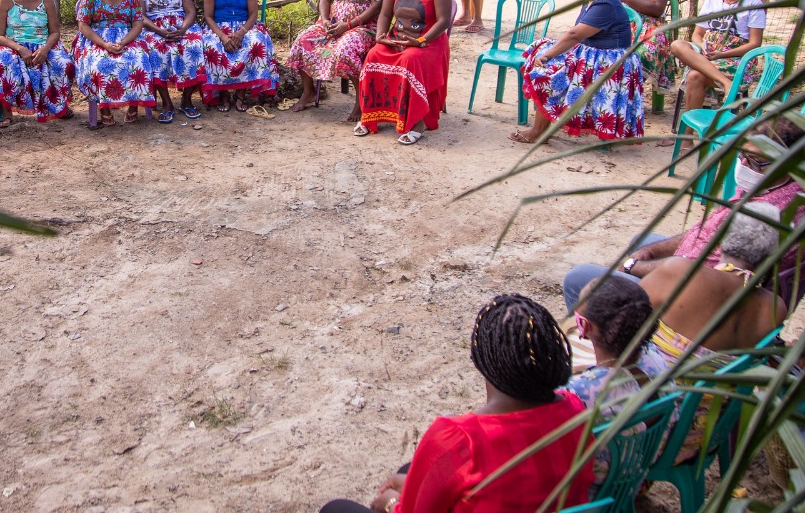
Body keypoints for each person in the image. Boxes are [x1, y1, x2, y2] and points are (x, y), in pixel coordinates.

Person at [320, 295, 593, 513]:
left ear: (483, 361)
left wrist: (391, 503)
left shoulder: (460, 440)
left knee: (336, 508)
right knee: (409, 470)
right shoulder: (575, 409)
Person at [561, 118, 805, 313]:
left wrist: (633, 266)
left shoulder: (768, 215)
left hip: (692, 300)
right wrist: (652, 252)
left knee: (579, 279)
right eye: (742, 155)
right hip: (700, 274)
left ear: (789, 163)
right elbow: (709, 229)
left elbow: (696, 274)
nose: (744, 165)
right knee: (642, 242)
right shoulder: (774, 186)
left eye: (756, 161)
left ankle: (607, 343)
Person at [636, 207, 786, 463]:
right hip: (699, 437)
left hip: (646, 430)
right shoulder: (775, 309)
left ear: (721, 239)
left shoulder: (681, 272)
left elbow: (621, 318)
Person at [512, 0, 645, 144]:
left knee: (547, 72)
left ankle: (539, 131)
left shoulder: (606, 4)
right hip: (594, 53)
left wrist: (548, 55)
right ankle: (544, 125)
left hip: (608, 62)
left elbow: (575, 34)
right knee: (541, 52)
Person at [355, 0, 453, 144]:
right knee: (373, 56)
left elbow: (443, 21)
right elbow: (385, 14)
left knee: (410, 60)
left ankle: (418, 122)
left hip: (428, 42)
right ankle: (371, 117)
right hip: (397, 39)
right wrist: (381, 36)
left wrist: (420, 40)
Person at [564, 279, 657, 495]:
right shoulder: (655, 362)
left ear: (585, 327)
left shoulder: (576, 392)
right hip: (634, 476)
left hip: (593, 490)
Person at [669, 0, 765, 112]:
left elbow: (755, 44)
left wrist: (722, 54)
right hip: (708, 53)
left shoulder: (754, 4)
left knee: (694, 76)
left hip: (735, 58)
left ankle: (689, 129)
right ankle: (725, 82)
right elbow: (697, 34)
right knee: (677, 44)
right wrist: (703, 47)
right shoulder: (712, 0)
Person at [0, 0, 75, 127]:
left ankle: (59, 105)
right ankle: (7, 110)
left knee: (64, 63)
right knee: (2, 63)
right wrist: (20, 49)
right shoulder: (6, 0)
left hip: (43, 43)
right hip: (13, 45)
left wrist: (45, 49)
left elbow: (55, 32)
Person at [73, 0, 155, 127]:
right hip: (97, 38)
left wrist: (123, 42)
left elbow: (137, 24)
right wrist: (104, 44)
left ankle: (133, 104)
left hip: (128, 37)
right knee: (100, 63)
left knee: (138, 60)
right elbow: (83, 26)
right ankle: (105, 109)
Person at [200, 0, 279, 112]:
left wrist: (241, 33)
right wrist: (223, 36)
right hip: (218, 26)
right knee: (212, 46)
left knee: (255, 43)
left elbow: (253, 14)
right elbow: (208, 16)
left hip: (245, 25)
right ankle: (223, 94)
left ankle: (240, 94)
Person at [132, 0, 205, 122]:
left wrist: (183, 29)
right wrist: (160, 31)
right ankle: (167, 103)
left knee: (193, 45)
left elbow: (190, 11)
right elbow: (140, 15)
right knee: (156, 50)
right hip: (153, 26)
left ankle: (186, 100)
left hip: (180, 24)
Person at [615, 0, 678, 94]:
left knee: (639, 55)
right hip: (620, 23)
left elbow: (657, 8)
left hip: (649, 25)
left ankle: (630, 94)